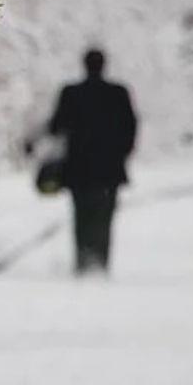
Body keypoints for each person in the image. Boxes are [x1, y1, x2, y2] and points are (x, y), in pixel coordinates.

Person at [47, 48, 137, 275]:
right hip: (109, 169)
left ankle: (83, 260)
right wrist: (122, 153)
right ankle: (101, 261)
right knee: (105, 216)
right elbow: (130, 127)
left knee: (81, 215)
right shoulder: (118, 93)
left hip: (79, 169)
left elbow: (56, 126)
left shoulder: (71, 93)